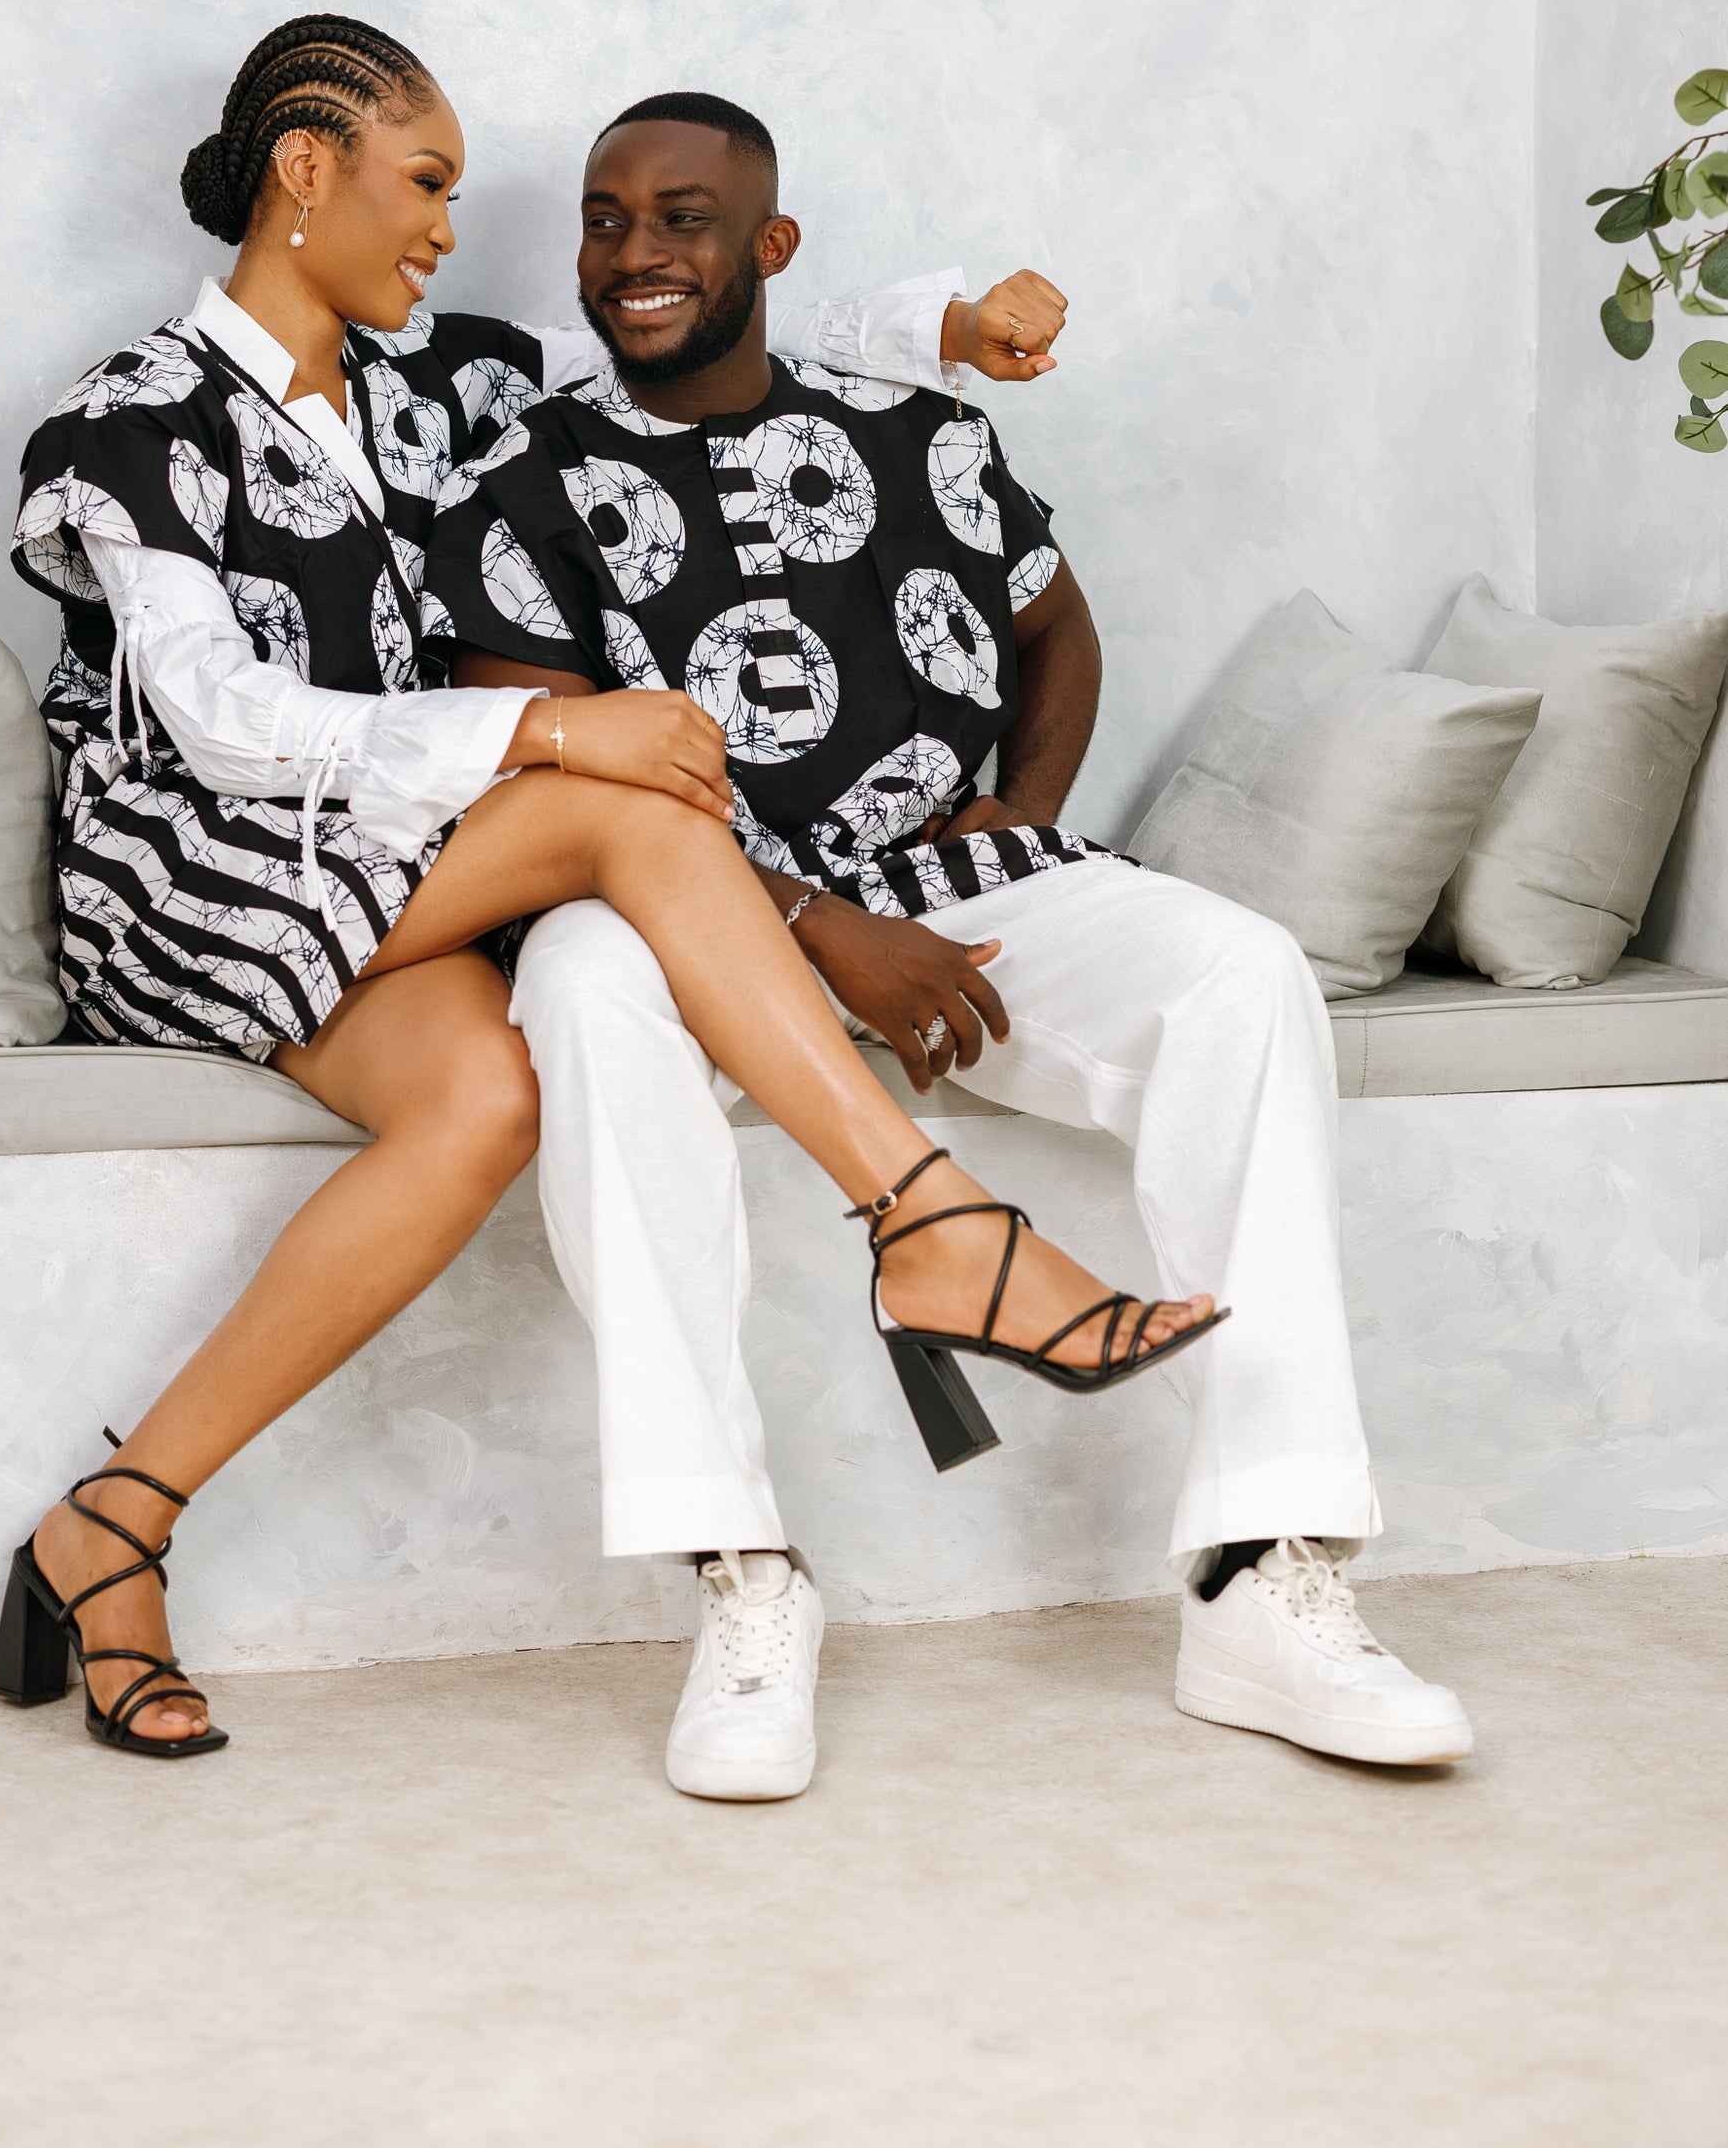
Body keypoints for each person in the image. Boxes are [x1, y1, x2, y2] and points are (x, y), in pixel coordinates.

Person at [0, 14, 1210, 1762]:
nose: (445, 229)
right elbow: (215, 720)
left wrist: (944, 326)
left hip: (381, 865)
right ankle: (936, 1227)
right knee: (627, 799)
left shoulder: (439, 378)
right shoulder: (133, 418)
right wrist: (545, 737)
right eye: (424, 184)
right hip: (192, 865)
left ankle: (109, 1526)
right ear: (305, 171)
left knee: (488, 1101)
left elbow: (698, 321)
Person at [424, 88, 1475, 1799]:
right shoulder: (522, 482)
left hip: (948, 888)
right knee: (581, 988)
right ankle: (743, 1577)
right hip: (676, 911)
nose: (633, 253)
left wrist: (1016, 812)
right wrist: (811, 925)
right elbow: (542, 767)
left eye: (682, 218)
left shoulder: (921, 435)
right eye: (605, 221)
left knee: (1240, 973)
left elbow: (1056, 629)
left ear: (770, 246)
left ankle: (1263, 1574)